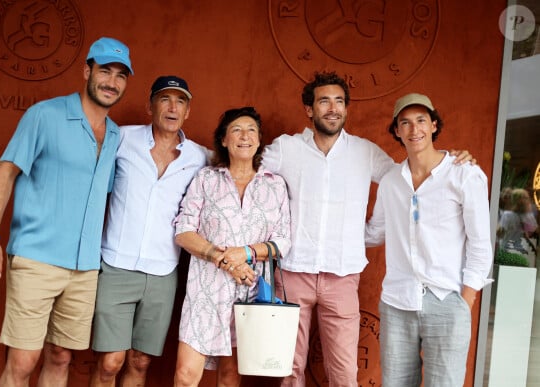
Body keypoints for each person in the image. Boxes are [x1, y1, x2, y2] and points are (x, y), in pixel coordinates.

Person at [260, 71, 474, 387]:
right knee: (289, 371)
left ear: (346, 108)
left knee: (344, 375)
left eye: (339, 101)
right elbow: (245, 168)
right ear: (309, 109)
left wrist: (450, 162)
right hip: (293, 272)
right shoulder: (286, 148)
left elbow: (406, 183)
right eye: (324, 101)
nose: (332, 108)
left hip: (343, 276)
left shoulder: (365, 151)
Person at [0, 37, 133, 387]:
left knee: (61, 356)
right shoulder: (44, 115)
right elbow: (6, 171)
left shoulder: (114, 136)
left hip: (84, 268)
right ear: (86, 71)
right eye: (105, 71)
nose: (112, 82)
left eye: (121, 75)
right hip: (36, 259)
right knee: (23, 360)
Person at [365, 93, 493, 386]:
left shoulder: (465, 174)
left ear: (434, 124)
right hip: (397, 304)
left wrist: (466, 299)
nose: (414, 129)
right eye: (405, 123)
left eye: (421, 120)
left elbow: (480, 244)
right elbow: (375, 232)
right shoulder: (391, 181)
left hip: (447, 300)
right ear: (396, 131)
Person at [90, 76, 208, 386]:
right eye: (164, 99)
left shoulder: (199, 157)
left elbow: (234, 168)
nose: (172, 107)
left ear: (188, 111)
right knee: (110, 363)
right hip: (116, 267)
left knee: (140, 362)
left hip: (162, 273)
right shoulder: (122, 138)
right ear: (150, 106)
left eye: (180, 101)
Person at [173, 107, 291, 387]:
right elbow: (183, 230)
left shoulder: (275, 185)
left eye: (251, 129)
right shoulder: (206, 179)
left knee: (229, 377)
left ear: (260, 140)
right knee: (185, 374)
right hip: (205, 290)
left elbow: (283, 241)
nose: (244, 136)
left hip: (249, 292)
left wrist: (246, 253)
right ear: (224, 140)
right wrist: (222, 259)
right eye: (236, 129)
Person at [498, 187, 538, 257]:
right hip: (522, 251)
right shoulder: (529, 216)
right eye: (527, 198)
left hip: (507, 249)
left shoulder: (507, 215)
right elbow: (533, 231)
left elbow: (500, 233)